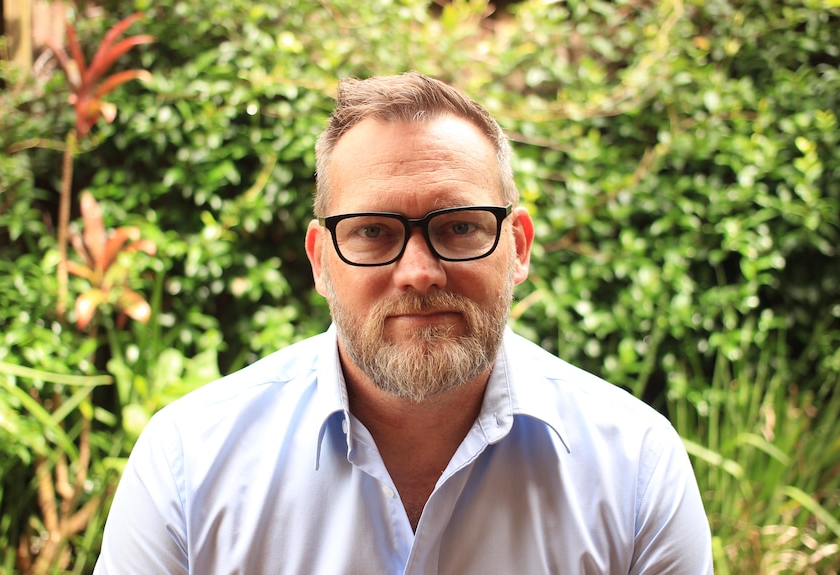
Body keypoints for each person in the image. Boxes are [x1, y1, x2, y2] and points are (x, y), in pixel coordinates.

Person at [95, 72, 713, 574]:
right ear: (320, 260)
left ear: (518, 246)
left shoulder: (634, 466)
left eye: (459, 226)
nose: (419, 273)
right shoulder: (189, 464)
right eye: (372, 232)